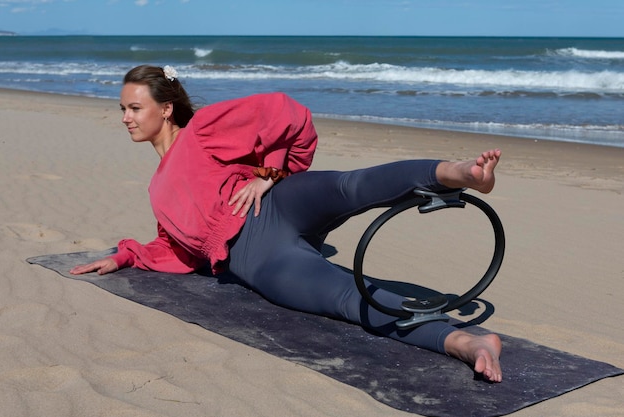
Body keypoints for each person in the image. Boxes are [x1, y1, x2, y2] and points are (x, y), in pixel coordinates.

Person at [70, 65, 503, 382]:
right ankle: (464, 343)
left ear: (165, 109)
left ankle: (459, 172)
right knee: (347, 298)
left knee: (352, 186)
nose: (126, 117)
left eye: (134, 107)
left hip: (278, 204)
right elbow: (177, 250)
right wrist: (127, 255)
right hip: (258, 257)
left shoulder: (201, 131)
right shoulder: (157, 190)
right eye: (123, 109)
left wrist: (267, 175)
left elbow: (286, 112)